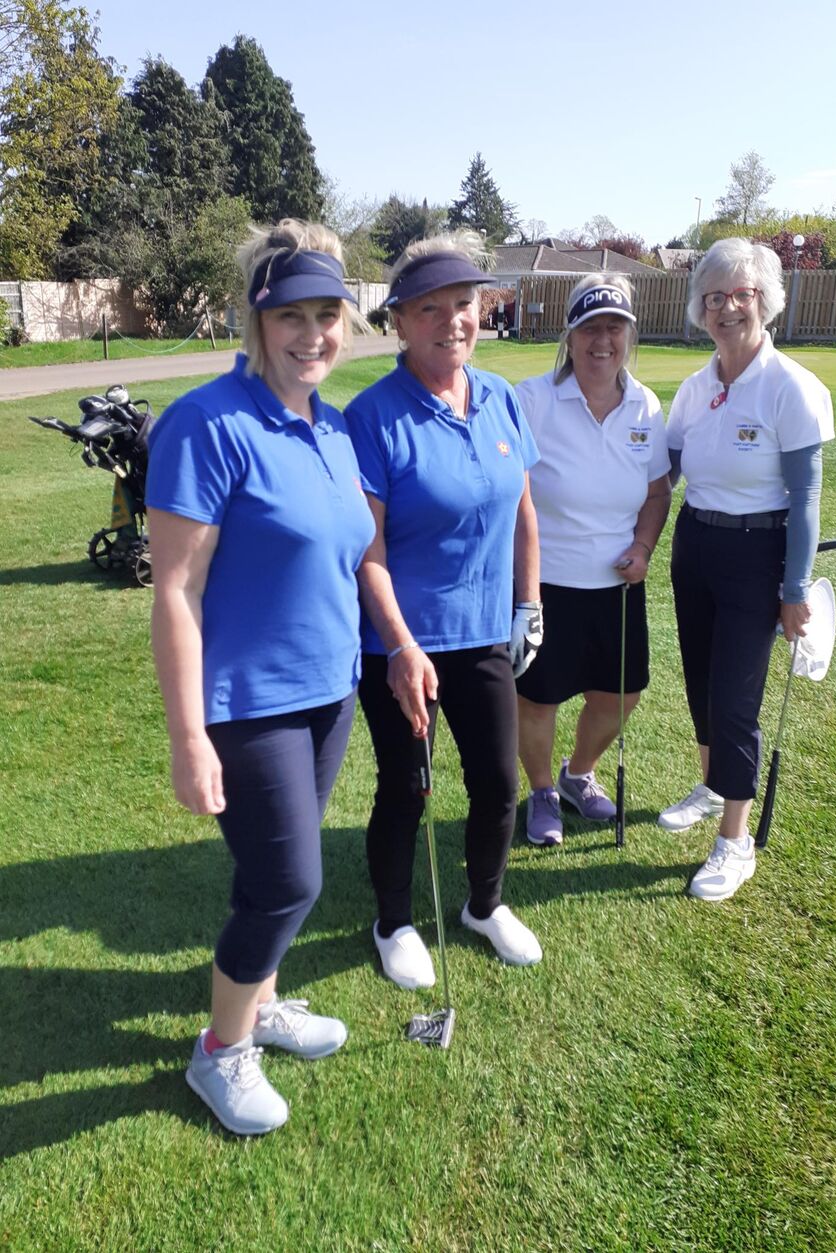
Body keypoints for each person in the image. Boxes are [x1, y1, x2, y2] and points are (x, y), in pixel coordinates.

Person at [146, 220, 375, 1135]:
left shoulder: (333, 426)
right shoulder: (207, 423)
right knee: (286, 882)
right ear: (257, 318)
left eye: (328, 316)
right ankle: (220, 1050)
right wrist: (188, 735)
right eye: (292, 316)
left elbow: (345, 558)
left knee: (279, 868)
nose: (312, 335)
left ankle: (264, 1000)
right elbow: (175, 588)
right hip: (247, 703)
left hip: (330, 690)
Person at [346, 231, 544, 991]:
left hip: (486, 631)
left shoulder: (499, 396)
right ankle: (393, 922)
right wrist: (400, 646)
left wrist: (529, 603)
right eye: (430, 309)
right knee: (407, 787)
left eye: (463, 304)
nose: (452, 321)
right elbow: (368, 551)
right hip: (400, 643)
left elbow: (524, 512)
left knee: (497, 782)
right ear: (398, 321)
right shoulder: (371, 416)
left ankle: (484, 905)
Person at [660, 238, 834, 901]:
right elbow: (665, 473)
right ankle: (713, 786)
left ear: (766, 301)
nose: (727, 307)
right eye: (714, 297)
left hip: (757, 555)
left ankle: (735, 842)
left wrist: (794, 588)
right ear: (700, 308)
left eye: (742, 294)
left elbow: (806, 496)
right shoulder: (695, 386)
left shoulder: (792, 387)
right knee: (701, 683)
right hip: (695, 545)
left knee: (735, 700)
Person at [514, 275, 672, 846]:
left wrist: (644, 548)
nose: (603, 341)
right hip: (547, 580)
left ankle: (578, 773)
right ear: (570, 336)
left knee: (620, 695)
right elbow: (512, 494)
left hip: (619, 583)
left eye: (615, 328)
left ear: (629, 335)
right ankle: (541, 791)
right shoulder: (532, 400)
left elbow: (657, 493)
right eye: (590, 329)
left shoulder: (645, 405)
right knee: (538, 698)